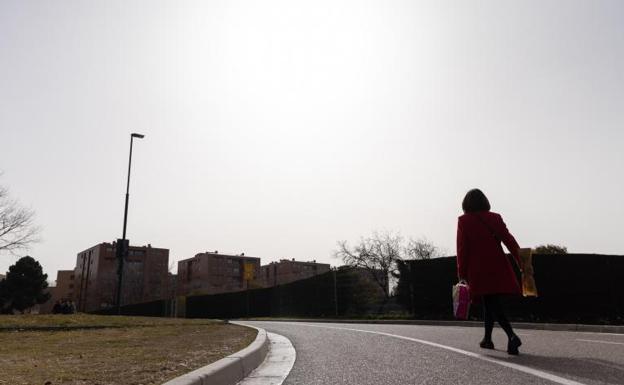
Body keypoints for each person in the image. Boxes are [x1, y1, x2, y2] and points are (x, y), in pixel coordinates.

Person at [456, 188, 523, 355]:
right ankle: (487, 339)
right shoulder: (495, 218)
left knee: (491, 302)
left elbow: (462, 249)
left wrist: (461, 273)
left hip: (478, 268)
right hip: (498, 265)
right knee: (490, 302)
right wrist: (521, 261)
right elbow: (509, 240)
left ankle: (512, 335)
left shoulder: (464, 221)